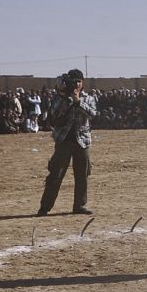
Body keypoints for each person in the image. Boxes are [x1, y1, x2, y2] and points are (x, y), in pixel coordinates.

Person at [37, 69, 96, 216]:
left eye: (78, 81)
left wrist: (78, 102)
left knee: (82, 175)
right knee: (55, 174)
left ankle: (80, 205)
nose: (76, 84)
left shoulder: (88, 98)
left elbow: (93, 113)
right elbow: (54, 115)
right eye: (73, 81)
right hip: (64, 140)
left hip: (82, 140)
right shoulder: (60, 97)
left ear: (83, 83)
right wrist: (64, 98)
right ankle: (45, 207)